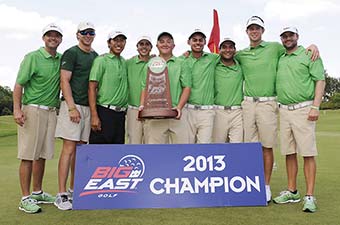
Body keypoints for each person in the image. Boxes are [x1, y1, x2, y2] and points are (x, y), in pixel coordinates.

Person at [235, 16, 319, 202]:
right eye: (251, 28)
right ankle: (251, 185)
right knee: (249, 147)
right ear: (247, 31)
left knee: (267, 146)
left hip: (268, 104)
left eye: (257, 28)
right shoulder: (241, 54)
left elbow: (294, 48)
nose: (254, 31)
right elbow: (223, 55)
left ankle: (265, 187)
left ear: (262, 31)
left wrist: (312, 45)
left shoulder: (274, 48)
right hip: (248, 104)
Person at [273, 27, 325, 213]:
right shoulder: (280, 57)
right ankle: (292, 190)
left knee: (308, 153)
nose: (287, 38)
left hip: (304, 109)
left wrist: (316, 106)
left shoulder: (309, 54)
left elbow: (320, 80)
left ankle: (309, 196)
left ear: (297, 37)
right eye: (284, 36)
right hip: (284, 111)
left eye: (290, 35)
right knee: (289, 152)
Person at [13, 23, 63, 213]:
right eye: (49, 35)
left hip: (51, 111)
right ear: (43, 38)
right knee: (28, 155)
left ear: (60, 39)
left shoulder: (60, 59)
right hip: (33, 110)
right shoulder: (33, 57)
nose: (53, 38)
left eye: (56, 35)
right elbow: (19, 85)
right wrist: (16, 109)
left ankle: (37, 192)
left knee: (42, 155)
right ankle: (25, 198)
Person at [54, 21, 98, 210]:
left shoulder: (95, 56)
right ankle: (61, 194)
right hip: (73, 105)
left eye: (91, 32)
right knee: (69, 148)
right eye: (84, 32)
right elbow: (64, 80)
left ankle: (74, 189)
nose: (88, 35)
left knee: (80, 150)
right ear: (78, 34)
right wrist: (72, 108)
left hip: (88, 107)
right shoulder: (71, 53)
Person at [141, 32, 191, 144]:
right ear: (157, 45)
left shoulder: (181, 63)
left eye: (169, 41)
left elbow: (187, 87)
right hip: (156, 115)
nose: (165, 44)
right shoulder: (150, 64)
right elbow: (144, 87)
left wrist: (179, 107)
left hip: (177, 114)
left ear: (173, 45)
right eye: (162, 41)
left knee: (181, 151)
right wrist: (142, 105)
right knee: (155, 151)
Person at [88, 30, 128, 144]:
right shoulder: (101, 60)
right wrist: (94, 116)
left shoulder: (124, 62)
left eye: (122, 41)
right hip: (105, 112)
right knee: (99, 152)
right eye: (115, 40)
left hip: (120, 115)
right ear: (109, 43)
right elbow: (92, 88)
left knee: (116, 153)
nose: (119, 44)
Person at [183, 29, 218, 143]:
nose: (197, 43)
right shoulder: (182, 60)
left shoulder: (213, 58)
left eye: (200, 40)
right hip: (188, 110)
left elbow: (230, 54)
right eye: (194, 40)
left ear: (204, 42)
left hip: (207, 111)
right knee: (188, 147)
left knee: (204, 147)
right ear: (189, 42)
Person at [212, 38, 243, 143]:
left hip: (237, 112)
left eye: (230, 47)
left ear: (235, 50)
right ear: (219, 50)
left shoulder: (240, 66)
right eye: (224, 47)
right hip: (218, 112)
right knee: (219, 148)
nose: (227, 50)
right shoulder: (214, 66)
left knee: (236, 147)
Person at [126, 36, 152, 144]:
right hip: (134, 110)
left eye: (147, 44)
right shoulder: (128, 63)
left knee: (151, 143)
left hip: (151, 111)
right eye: (141, 44)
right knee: (134, 143)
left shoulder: (156, 62)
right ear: (137, 47)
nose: (144, 47)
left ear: (151, 47)